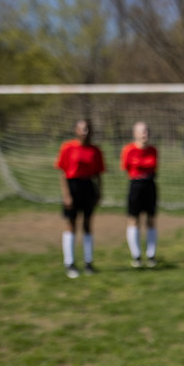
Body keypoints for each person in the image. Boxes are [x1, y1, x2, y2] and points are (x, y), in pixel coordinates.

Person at [55, 119, 105, 278]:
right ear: (76, 130)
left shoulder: (95, 150)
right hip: (72, 186)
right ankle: (69, 263)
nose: (85, 132)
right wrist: (67, 195)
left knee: (87, 225)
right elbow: (62, 173)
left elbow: (98, 175)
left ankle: (88, 262)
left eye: (88, 129)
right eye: (82, 129)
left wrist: (99, 192)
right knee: (71, 225)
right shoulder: (67, 147)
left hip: (88, 187)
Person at [121, 121, 158, 268]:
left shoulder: (153, 150)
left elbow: (153, 166)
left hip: (150, 185)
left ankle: (151, 254)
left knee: (150, 219)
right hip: (135, 186)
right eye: (142, 131)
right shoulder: (128, 150)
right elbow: (126, 167)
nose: (145, 134)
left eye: (147, 131)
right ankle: (136, 255)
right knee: (134, 219)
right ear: (134, 133)